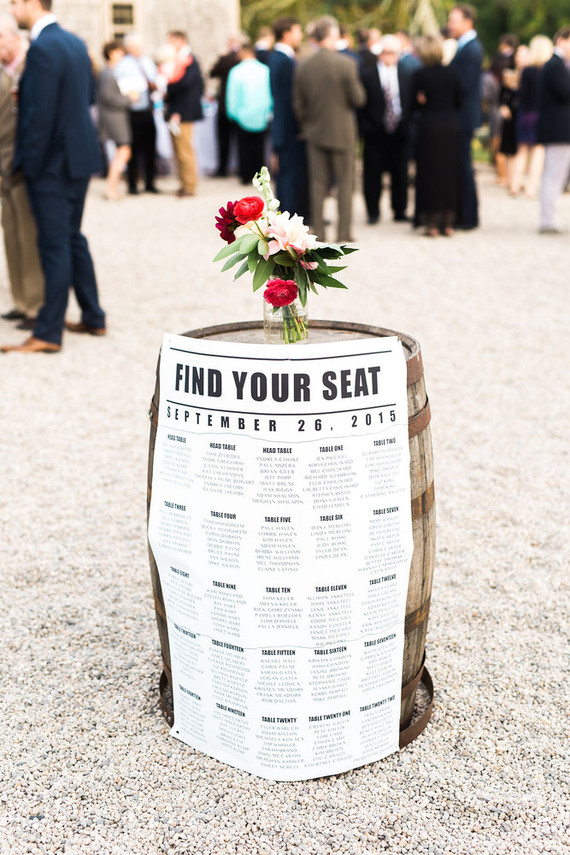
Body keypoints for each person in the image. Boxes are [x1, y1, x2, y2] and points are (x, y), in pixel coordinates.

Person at [1, 0, 105, 355]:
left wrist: (26, 165)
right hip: (78, 157)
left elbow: (40, 118)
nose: (11, 8)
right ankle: (93, 315)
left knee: (54, 244)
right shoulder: (75, 42)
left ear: (32, 4)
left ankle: (48, 331)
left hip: (52, 165)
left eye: (14, 3)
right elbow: (82, 99)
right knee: (72, 238)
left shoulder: (43, 46)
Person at [293, 16, 366, 242]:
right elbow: (359, 99)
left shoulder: (303, 66)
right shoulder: (346, 64)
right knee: (345, 183)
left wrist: (308, 124)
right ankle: (343, 232)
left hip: (314, 132)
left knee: (317, 184)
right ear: (331, 37)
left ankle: (320, 233)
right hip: (343, 133)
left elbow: (298, 104)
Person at [0, 11, 44, 329]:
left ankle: (35, 303)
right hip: (3, 166)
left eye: (1, 37)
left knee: (30, 237)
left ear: (16, 37)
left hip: (24, 166)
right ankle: (20, 299)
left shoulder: (32, 66)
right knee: (12, 236)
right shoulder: (3, 72)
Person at [411, 35, 462, 236]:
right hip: (450, 126)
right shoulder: (453, 73)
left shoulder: (420, 75)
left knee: (429, 173)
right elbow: (459, 101)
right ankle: (448, 222)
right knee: (449, 173)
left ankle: (431, 223)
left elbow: (412, 105)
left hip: (429, 127)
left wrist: (423, 101)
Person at [358, 34, 412, 225]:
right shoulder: (367, 74)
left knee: (400, 173)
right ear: (379, 54)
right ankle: (373, 212)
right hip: (375, 131)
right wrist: (365, 126)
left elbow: (410, 102)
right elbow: (361, 105)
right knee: (372, 174)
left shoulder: (406, 74)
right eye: (385, 52)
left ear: (398, 54)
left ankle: (400, 209)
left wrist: (407, 124)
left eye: (392, 53)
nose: (388, 56)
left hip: (399, 130)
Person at [268, 16, 308, 218]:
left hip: (284, 127)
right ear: (286, 33)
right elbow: (289, 100)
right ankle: (289, 219)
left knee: (287, 175)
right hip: (290, 128)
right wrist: (300, 127)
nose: (300, 35)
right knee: (289, 177)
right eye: (297, 30)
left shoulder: (279, 58)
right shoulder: (285, 61)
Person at [447, 4, 483, 230]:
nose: (450, 25)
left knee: (463, 165)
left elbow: (464, 85)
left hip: (463, 116)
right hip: (462, 115)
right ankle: (464, 214)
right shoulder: (466, 46)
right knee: (461, 164)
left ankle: (467, 217)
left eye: (454, 20)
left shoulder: (471, 48)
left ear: (468, 22)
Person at [115, 32, 159, 195]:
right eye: (136, 46)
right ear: (129, 47)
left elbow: (154, 78)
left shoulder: (147, 62)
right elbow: (120, 85)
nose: (139, 49)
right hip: (132, 112)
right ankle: (132, 184)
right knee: (133, 150)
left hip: (148, 110)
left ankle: (150, 182)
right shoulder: (123, 65)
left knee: (150, 149)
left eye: (141, 46)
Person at [510, 35, 553, 198]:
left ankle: (515, 185)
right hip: (541, 114)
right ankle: (530, 188)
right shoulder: (549, 71)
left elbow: (522, 94)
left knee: (521, 151)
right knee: (537, 152)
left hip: (526, 113)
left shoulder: (527, 71)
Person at [537, 27, 570, 234]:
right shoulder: (556, 65)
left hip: (558, 128)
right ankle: (547, 220)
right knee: (554, 175)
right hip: (559, 129)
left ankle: (548, 218)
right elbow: (566, 92)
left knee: (554, 174)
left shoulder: (556, 65)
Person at [226, 42, 272, 185]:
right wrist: (269, 111)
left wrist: (232, 113)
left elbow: (232, 95)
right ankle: (260, 177)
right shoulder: (265, 70)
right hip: (261, 115)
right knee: (259, 148)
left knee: (243, 149)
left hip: (242, 115)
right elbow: (270, 93)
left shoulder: (236, 71)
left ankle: (245, 176)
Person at [164, 30, 204, 198]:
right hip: (176, 111)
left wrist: (177, 110)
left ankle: (189, 185)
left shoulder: (189, 61)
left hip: (182, 113)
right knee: (178, 150)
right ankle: (183, 183)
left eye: (172, 41)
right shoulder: (180, 61)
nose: (170, 45)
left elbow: (185, 87)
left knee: (184, 149)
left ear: (181, 40)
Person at [97, 40, 133, 201]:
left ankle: (112, 187)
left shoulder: (113, 71)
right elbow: (108, 97)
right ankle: (111, 188)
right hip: (113, 116)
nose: (122, 55)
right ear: (111, 53)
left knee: (123, 151)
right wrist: (128, 99)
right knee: (123, 151)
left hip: (116, 114)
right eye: (119, 51)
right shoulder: (108, 73)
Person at [209, 38, 240, 177]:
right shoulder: (241, 60)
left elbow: (212, 73)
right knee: (239, 140)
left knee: (223, 139)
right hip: (239, 106)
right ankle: (240, 169)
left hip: (224, 104)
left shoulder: (225, 59)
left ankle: (223, 169)